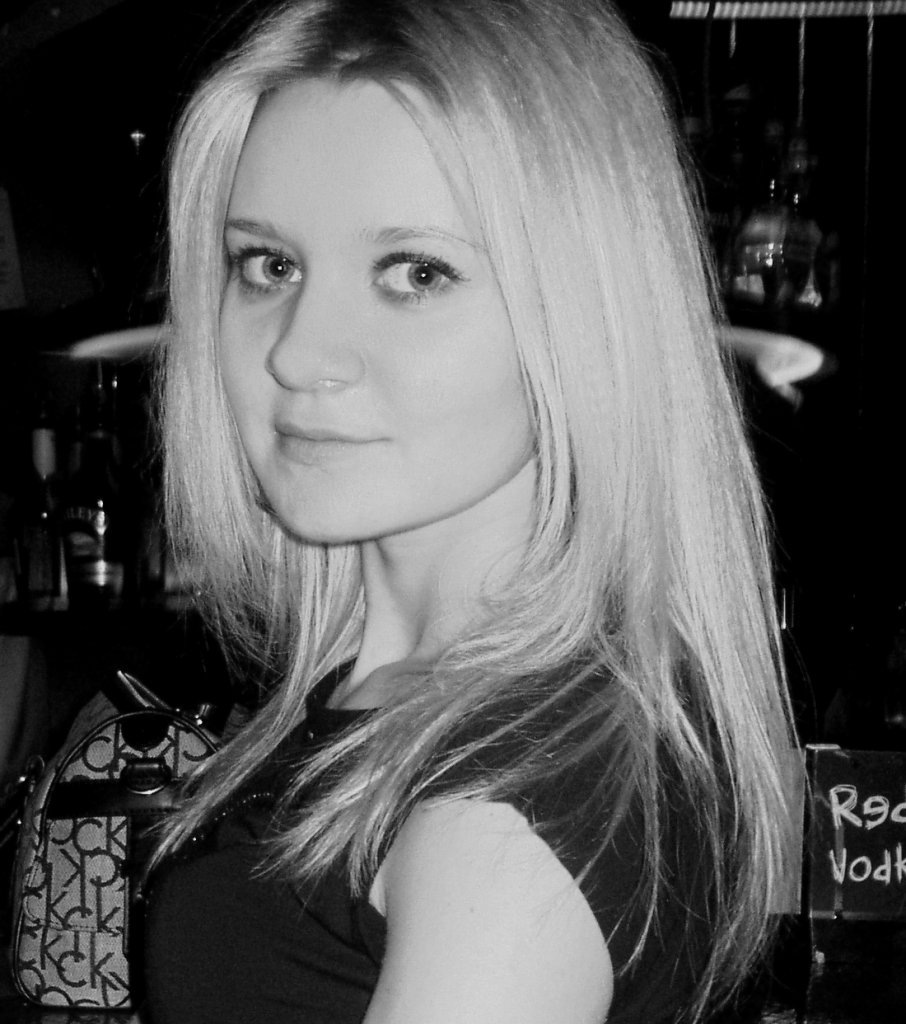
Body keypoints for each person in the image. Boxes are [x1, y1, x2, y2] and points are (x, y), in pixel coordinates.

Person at [144, 1, 799, 1022]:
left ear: (584, 310)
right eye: (268, 265)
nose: (299, 353)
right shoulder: (429, 700)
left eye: (415, 273)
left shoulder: (503, 818)